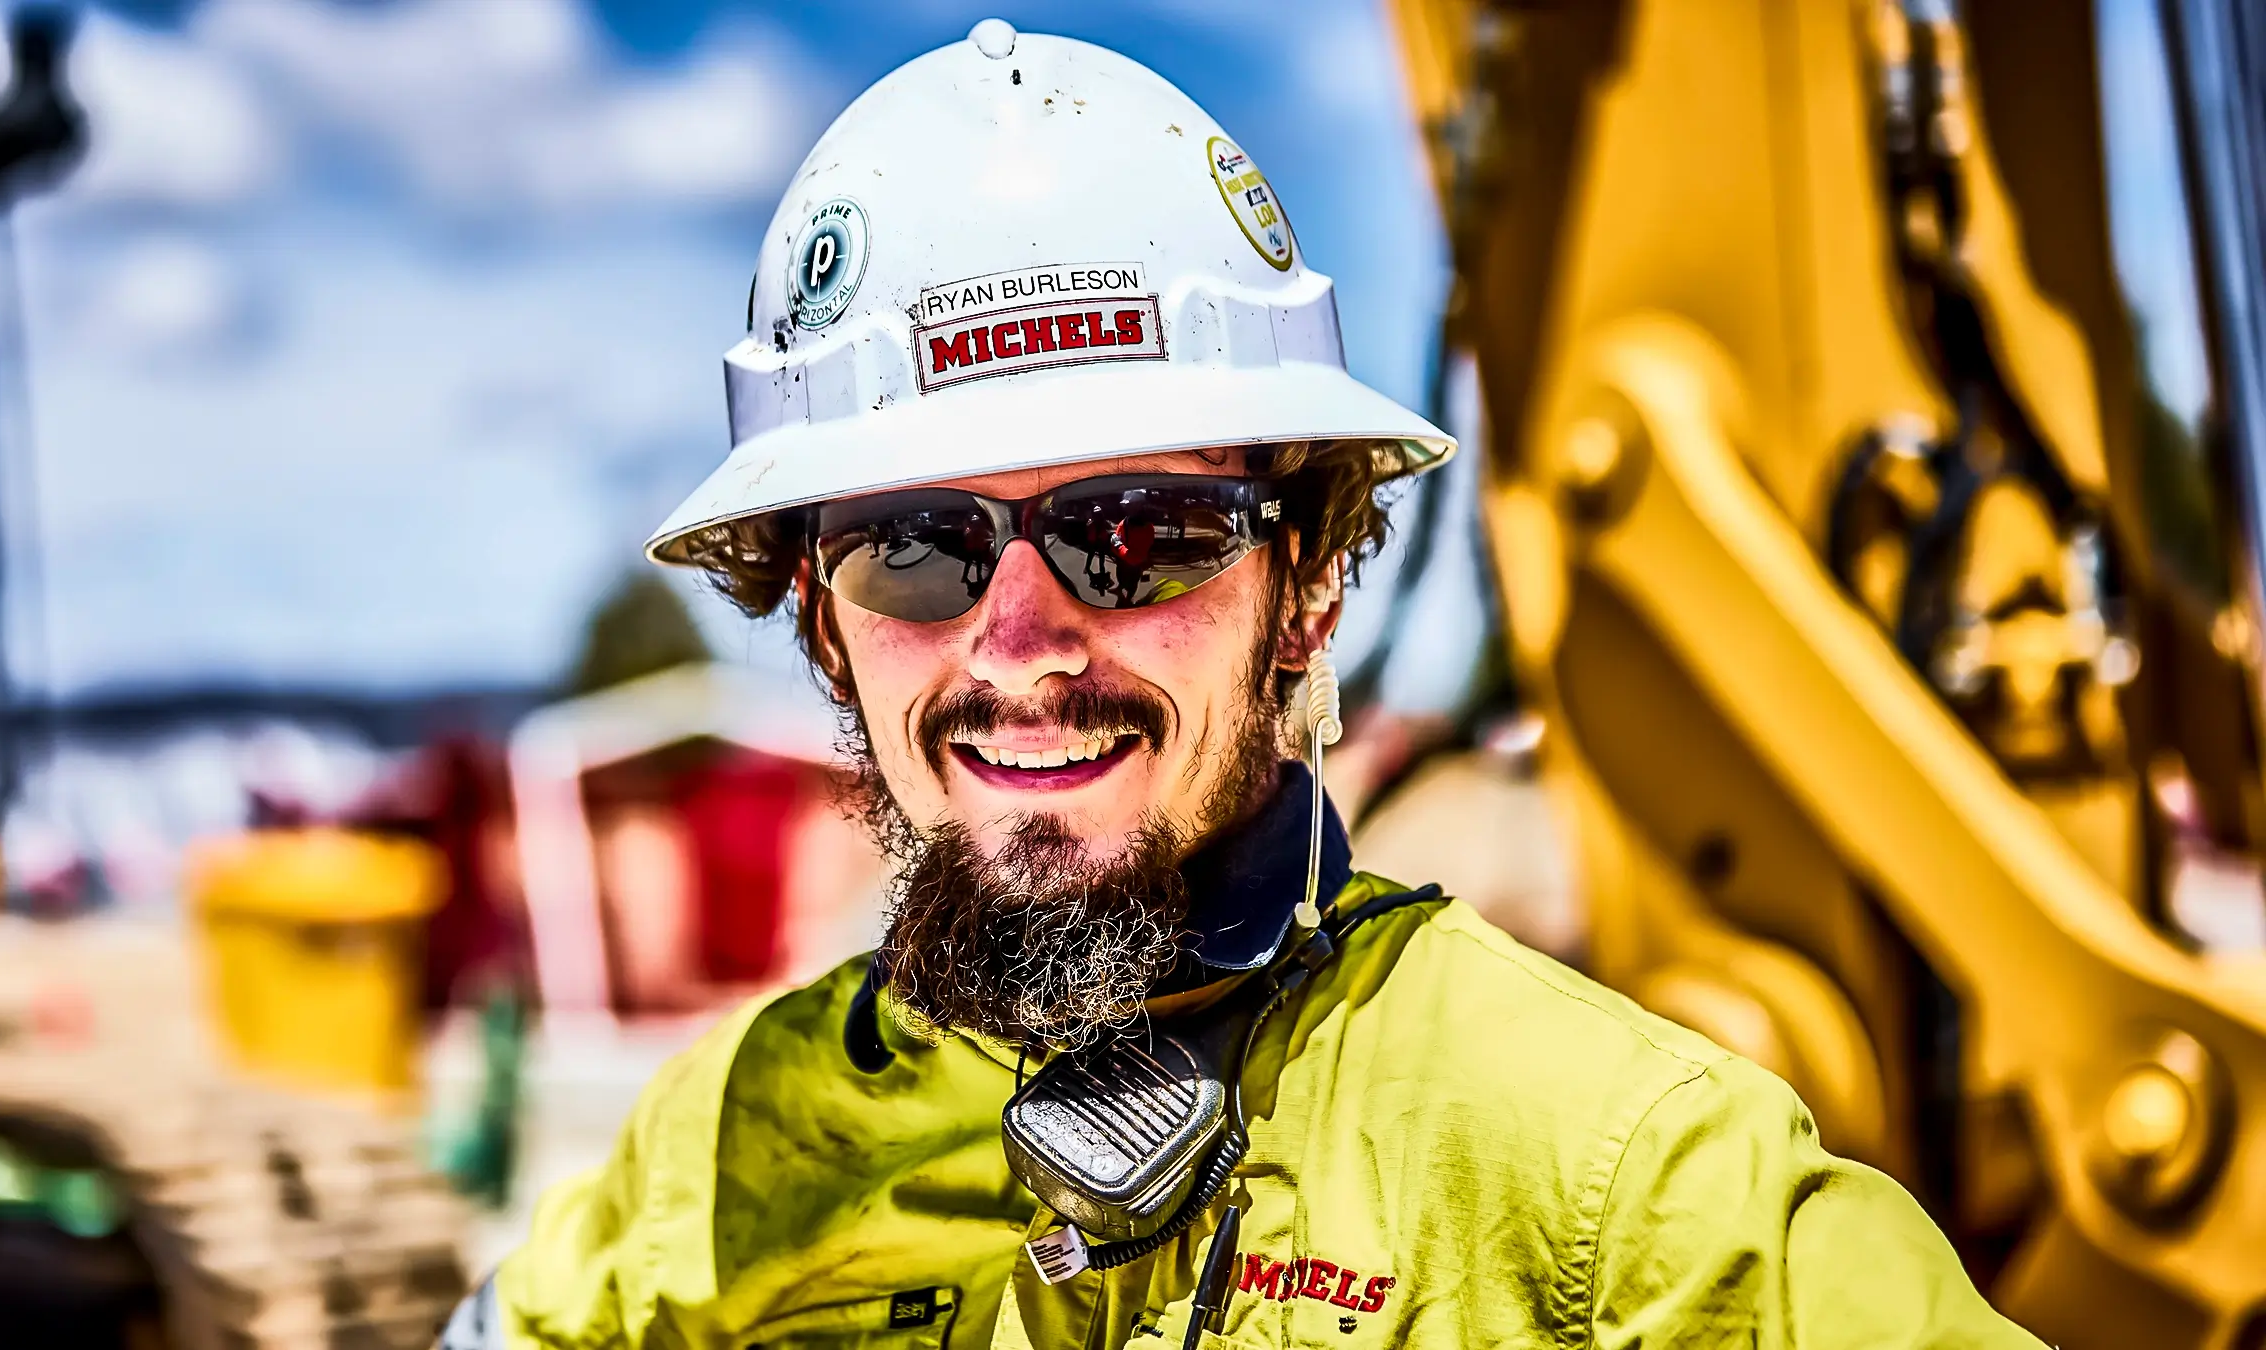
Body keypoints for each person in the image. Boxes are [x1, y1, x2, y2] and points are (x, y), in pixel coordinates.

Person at [446, 21, 2040, 1350]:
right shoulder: (723, 1155)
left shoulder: (1622, 1186)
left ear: (1307, 581)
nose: (1022, 642)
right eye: (919, 550)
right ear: (817, 613)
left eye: (1136, 534)